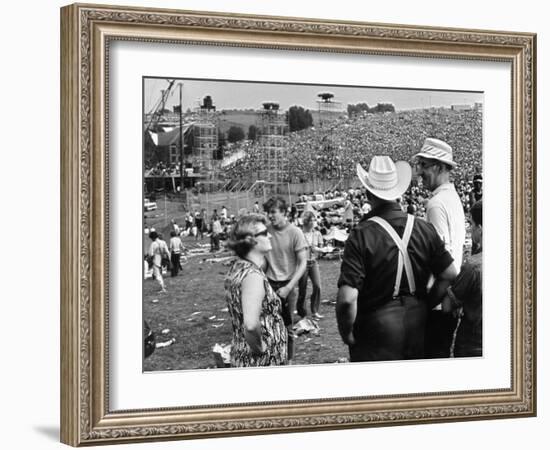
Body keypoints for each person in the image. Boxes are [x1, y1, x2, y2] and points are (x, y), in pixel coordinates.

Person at [336, 156, 457, 362]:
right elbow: (450, 273)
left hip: (376, 331)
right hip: (417, 325)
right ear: (397, 192)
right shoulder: (423, 228)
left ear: (368, 193)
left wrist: (346, 333)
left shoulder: (361, 234)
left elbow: (347, 299)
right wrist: (428, 303)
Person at [414, 137, 466, 358]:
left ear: (437, 166)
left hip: (438, 301)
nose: (420, 172)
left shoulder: (436, 204)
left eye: (424, 165)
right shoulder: (451, 198)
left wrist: (426, 305)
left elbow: (442, 262)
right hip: (449, 298)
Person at [224, 213, 288, 367]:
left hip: (244, 355)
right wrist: (260, 349)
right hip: (261, 362)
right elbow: (251, 325)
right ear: (250, 240)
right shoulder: (252, 275)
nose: (270, 236)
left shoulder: (238, 267)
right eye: (265, 233)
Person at [263, 197, 308, 362]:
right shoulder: (265, 232)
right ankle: (272, 360)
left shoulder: (295, 232)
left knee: (287, 329)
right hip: (268, 284)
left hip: (287, 286)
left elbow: (303, 263)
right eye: (268, 212)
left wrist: (289, 287)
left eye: (274, 212)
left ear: (284, 212)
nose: (270, 216)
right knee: (268, 327)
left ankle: (289, 363)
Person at [443, 200, 483, 357]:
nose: (470, 228)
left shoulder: (473, 266)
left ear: (480, 229)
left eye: (471, 224)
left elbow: (447, 306)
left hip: (472, 344)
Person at [296, 211, 324, 320]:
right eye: (312, 220)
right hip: (302, 264)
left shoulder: (317, 233)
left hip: (313, 263)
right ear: (306, 221)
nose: (314, 222)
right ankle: (302, 312)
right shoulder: (299, 233)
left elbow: (320, 249)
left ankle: (315, 311)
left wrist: (320, 250)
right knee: (302, 289)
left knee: (317, 286)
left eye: (314, 220)